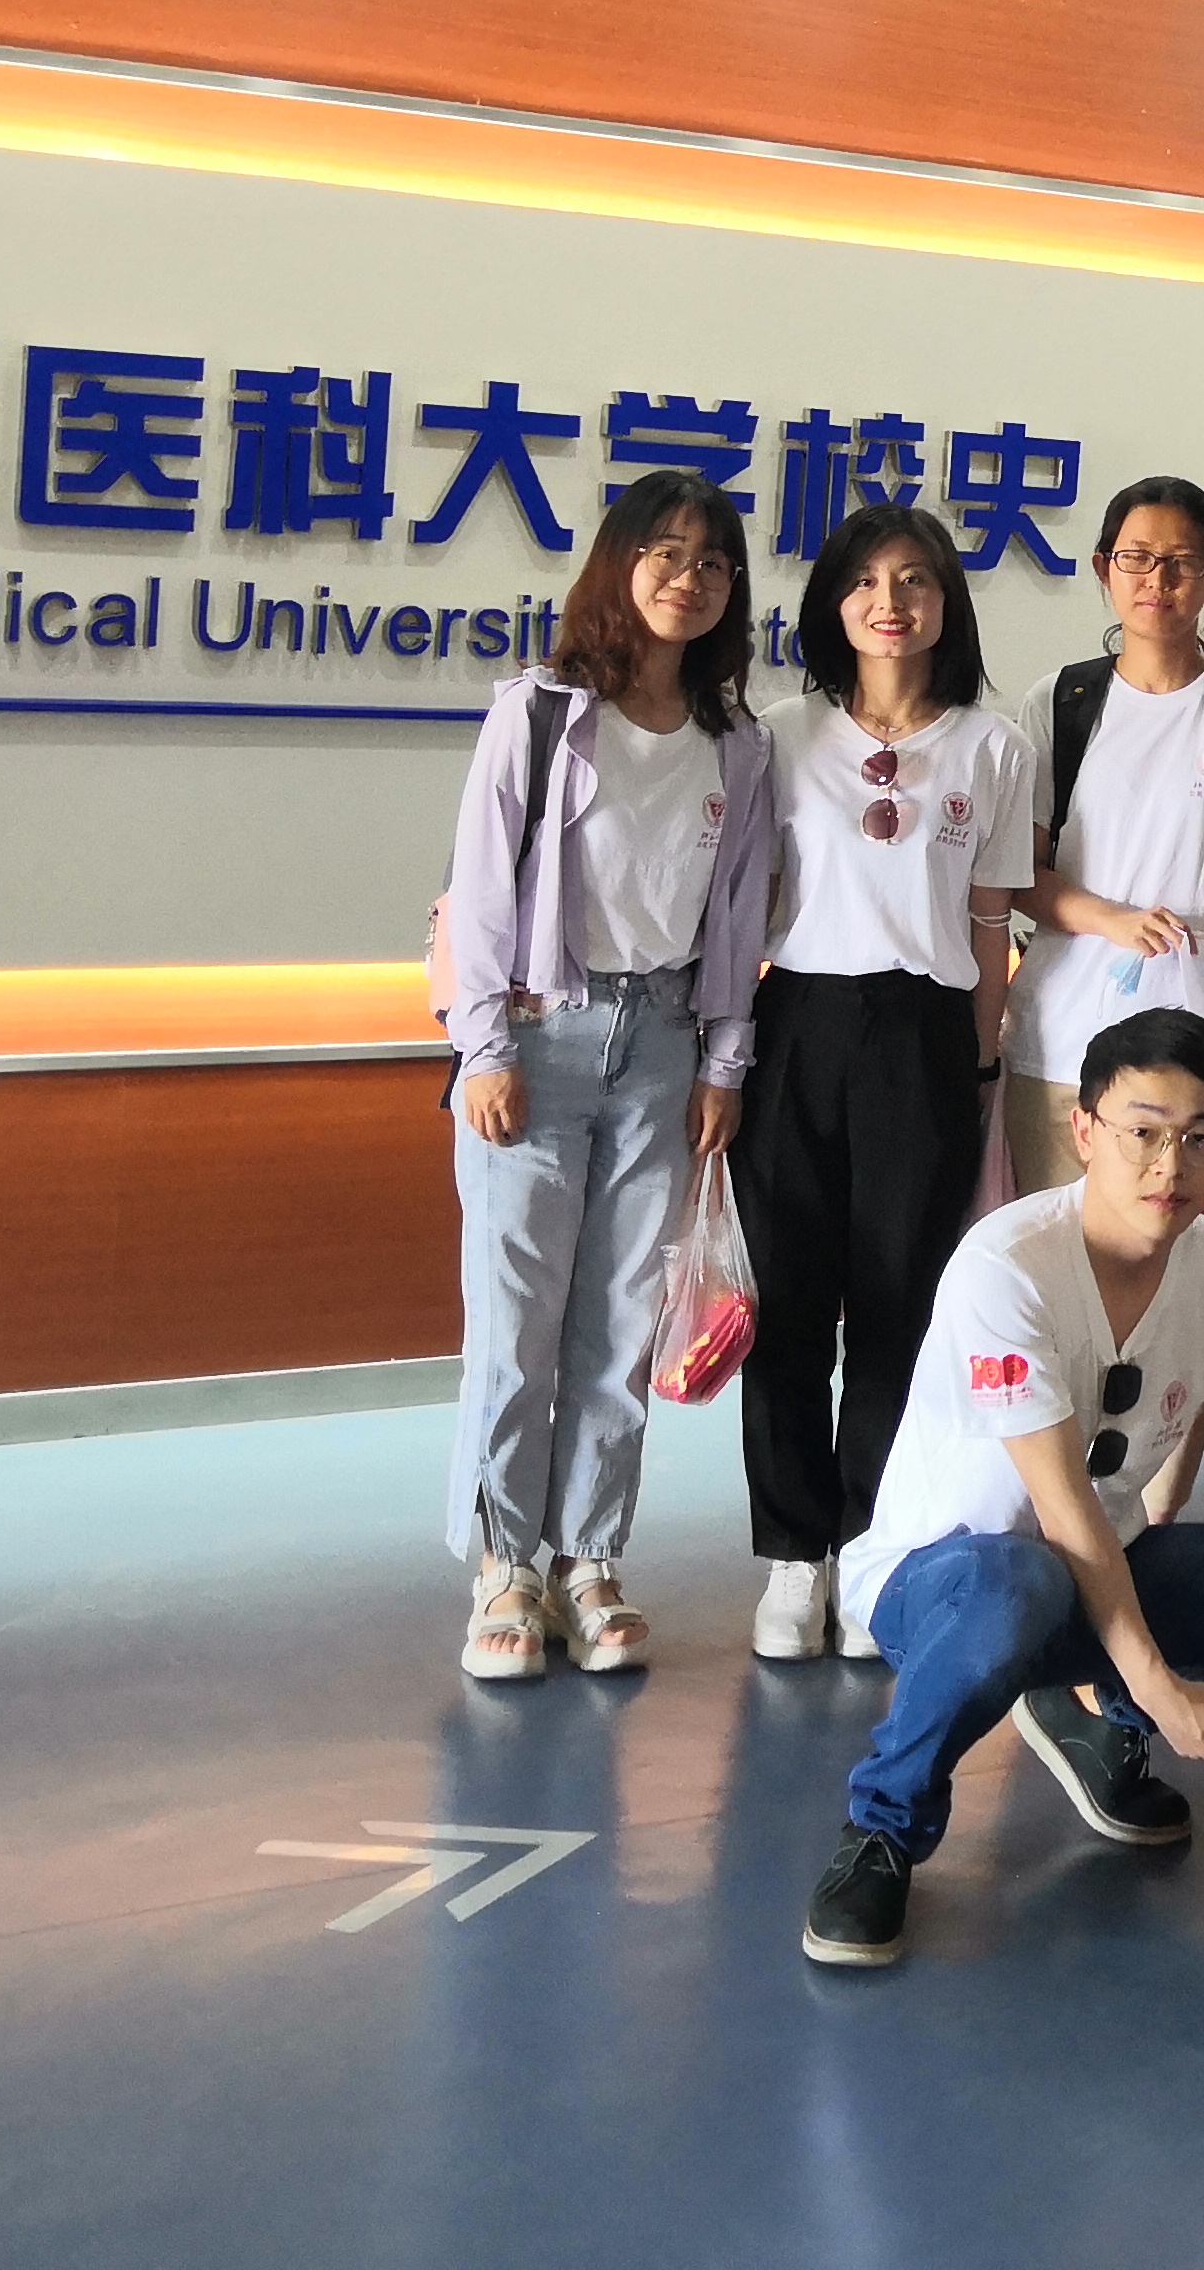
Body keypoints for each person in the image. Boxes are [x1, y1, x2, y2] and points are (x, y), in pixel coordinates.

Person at [804, 1007, 1204, 1969]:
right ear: (1084, 1129)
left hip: (1097, 1571)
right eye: (1143, 1132)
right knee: (1020, 1584)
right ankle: (882, 1829)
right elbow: (1061, 1512)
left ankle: (1098, 1725)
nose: (1171, 1166)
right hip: (944, 1582)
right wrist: (1161, 1683)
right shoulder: (1007, 1265)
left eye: (1202, 1138)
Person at [431, 473, 776, 1683]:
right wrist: (482, 1046)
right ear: (619, 567)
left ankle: (588, 1556)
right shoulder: (540, 714)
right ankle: (504, 1567)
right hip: (540, 1036)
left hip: (664, 1041)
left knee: (623, 1323)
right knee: (515, 1323)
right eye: (666, 554)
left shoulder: (739, 742)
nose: (691, 578)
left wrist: (724, 1059)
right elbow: (481, 888)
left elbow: (738, 914)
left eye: (714, 562)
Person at [741, 502, 1038, 1664]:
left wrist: (979, 1060)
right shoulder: (780, 734)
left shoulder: (992, 746)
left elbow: (990, 920)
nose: (890, 602)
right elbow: (745, 906)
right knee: (786, 1304)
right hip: (797, 1022)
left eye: (915, 580)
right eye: (865, 581)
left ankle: (872, 1545)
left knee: (898, 1308)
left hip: (924, 1038)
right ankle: (792, 1552)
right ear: (834, 603)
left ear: (946, 603)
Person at [1007, 475, 1204, 1197]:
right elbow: (1021, 874)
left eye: (1183, 562)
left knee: (1191, 1253)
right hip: (1064, 1044)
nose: (1158, 579)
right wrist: (1114, 920)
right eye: (1137, 558)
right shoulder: (1060, 702)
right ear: (1103, 567)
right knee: (1059, 1247)